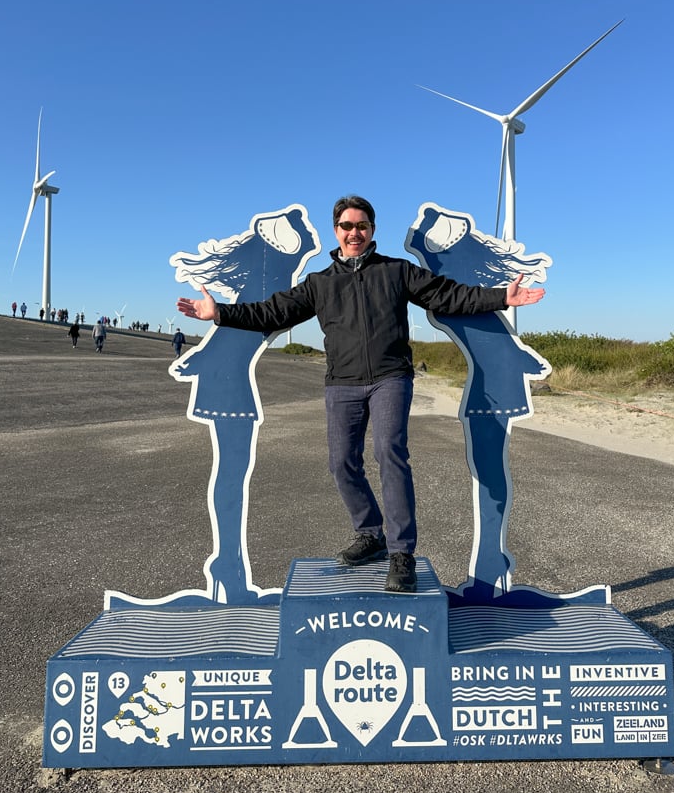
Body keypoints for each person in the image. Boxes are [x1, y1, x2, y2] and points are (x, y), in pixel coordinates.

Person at [176, 195, 545, 594]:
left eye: (362, 226)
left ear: (372, 230)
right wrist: (220, 314)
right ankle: (371, 534)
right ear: (336, 230)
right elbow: (271, 312)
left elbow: (449, 294)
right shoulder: (319, 283)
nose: (355, 233)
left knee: (389, 452)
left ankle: (401, 554)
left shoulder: (397, 271)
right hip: (342, 383)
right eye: (347, 226)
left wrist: (501, 298)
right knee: (340, 463)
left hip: (390, 378)